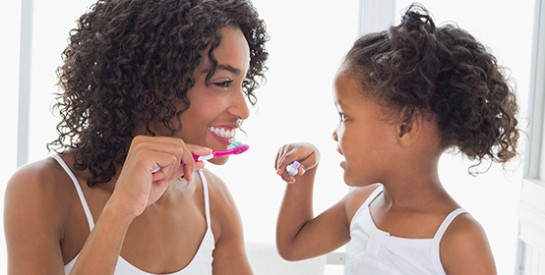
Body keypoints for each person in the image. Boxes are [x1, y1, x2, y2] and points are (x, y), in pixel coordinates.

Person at [4, 0, 268, 274]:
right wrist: (120, 211)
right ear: (153, 86)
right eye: (223, 83)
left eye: (243, 84)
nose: (243, 110)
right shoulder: (43, 189)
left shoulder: (213, 200)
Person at [274, 3, 518, 275]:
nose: (335, 133)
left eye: (345, 117)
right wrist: (304, 173)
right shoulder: (361, 204)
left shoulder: (458, 238)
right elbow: (293, 245)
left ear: (405, 127)